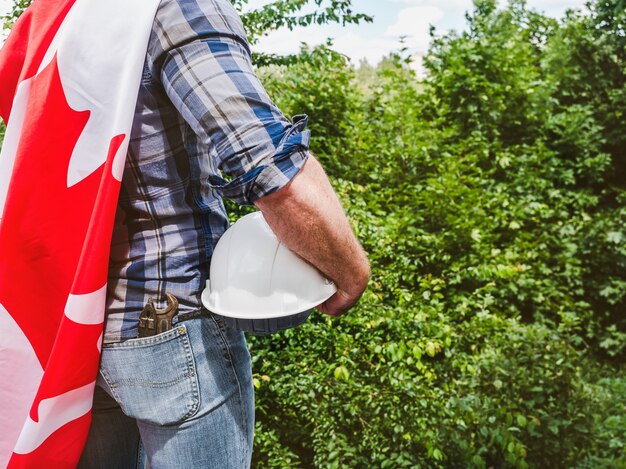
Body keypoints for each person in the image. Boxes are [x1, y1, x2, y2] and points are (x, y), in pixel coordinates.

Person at [77, 0, 370, 467]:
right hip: (170, 330)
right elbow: (265, 165)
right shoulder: (174, 8)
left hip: (77, 329)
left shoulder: (68, 26)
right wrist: (351, 272)